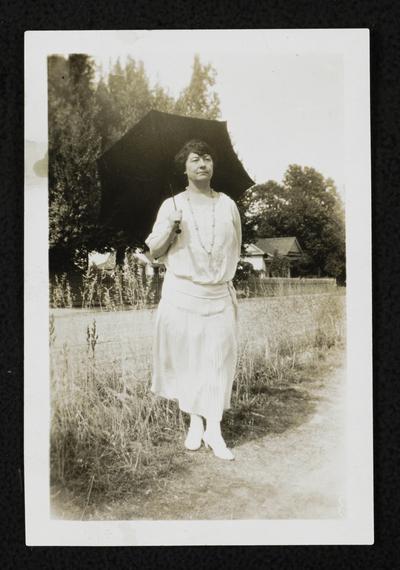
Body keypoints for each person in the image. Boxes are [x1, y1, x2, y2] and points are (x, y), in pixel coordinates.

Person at [145, 139, 242, 460]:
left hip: (218, 294)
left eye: (207, 158)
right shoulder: (171, 206)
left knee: (217, 360)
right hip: (182, 294)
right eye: (195, 160)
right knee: (189, 362)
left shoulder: (228, 204)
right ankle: (196, 423)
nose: (203, 164)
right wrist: (171, 231)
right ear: (184, 168)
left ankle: (215, 429)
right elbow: (154, 252)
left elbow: (235, 247)